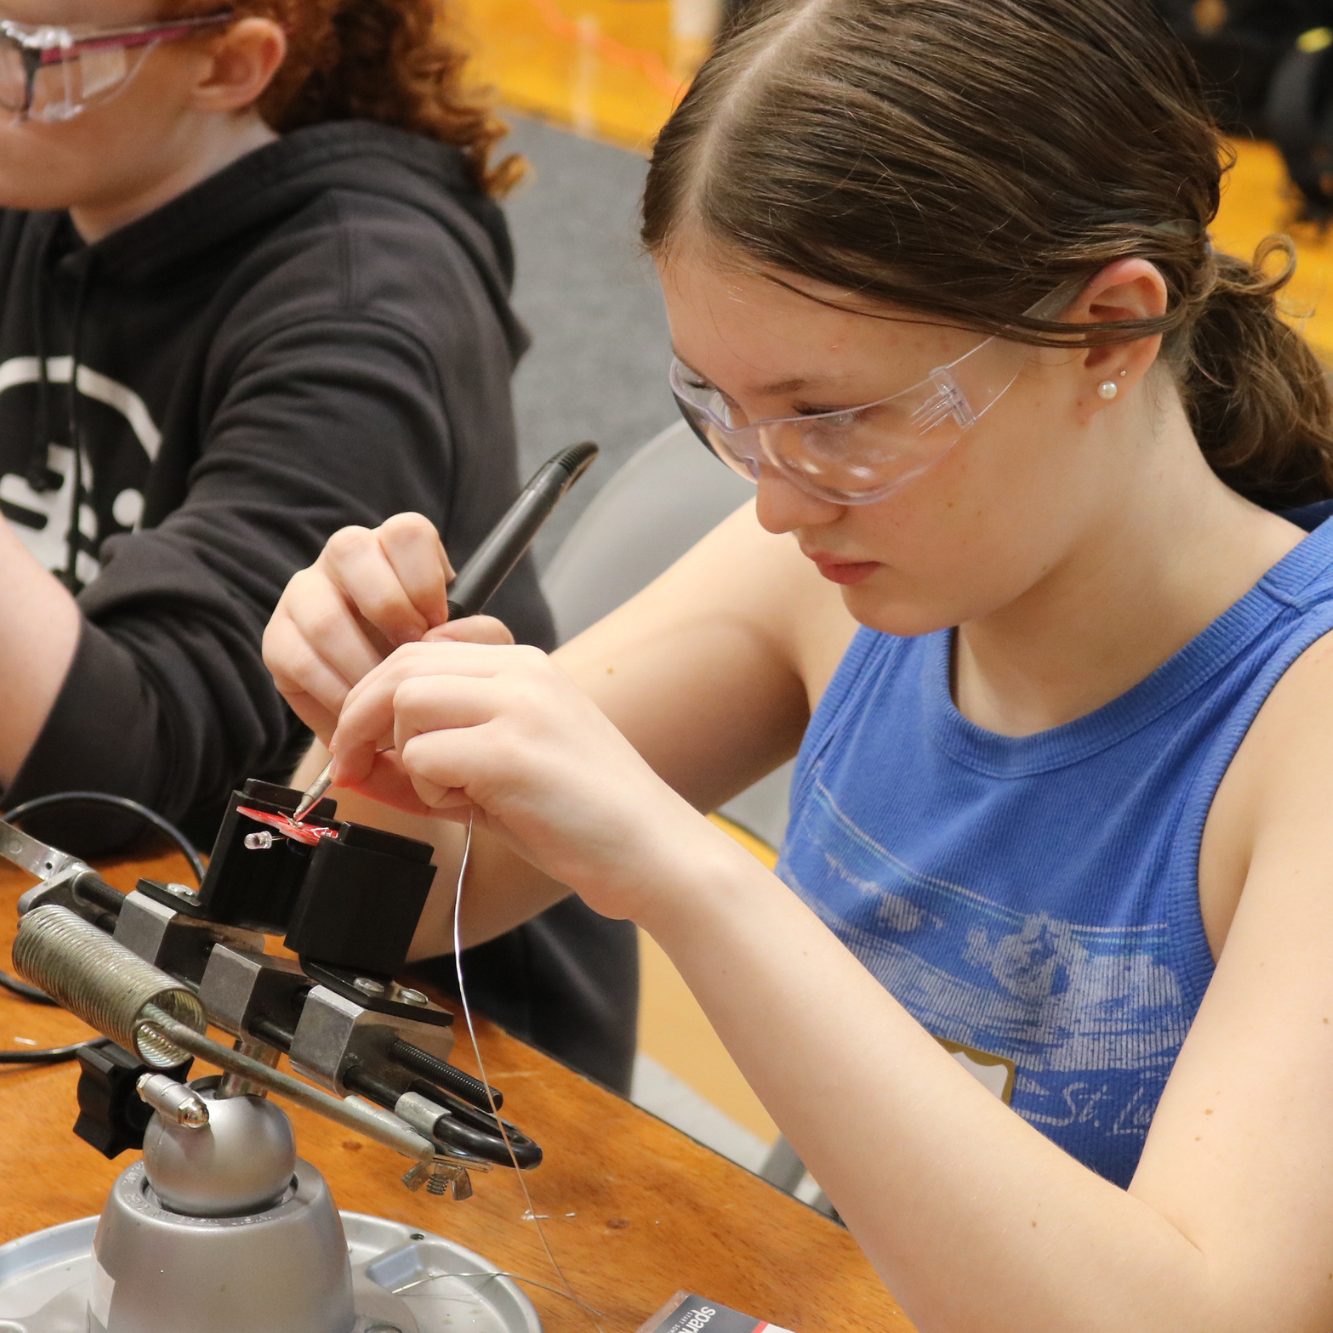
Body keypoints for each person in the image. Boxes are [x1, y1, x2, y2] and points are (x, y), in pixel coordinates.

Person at [267, 0, 1333, 1324]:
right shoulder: (843, 571)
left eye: (834, 417)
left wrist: (692, 875)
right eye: (720, 409)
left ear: (1110, 331)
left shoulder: (1300, 728)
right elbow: (398, 908)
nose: (774, 502)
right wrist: (369, 728)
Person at [0, 0, 636, 1090]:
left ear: (232, 65)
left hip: (424, 1043)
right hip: (135, 942)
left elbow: (116, 774)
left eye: (28, 54)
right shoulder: (56, 176)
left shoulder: (362, 305)